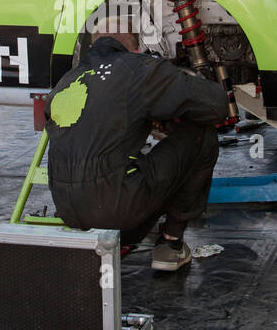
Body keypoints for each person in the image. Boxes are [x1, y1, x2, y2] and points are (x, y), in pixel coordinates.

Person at [44, 21, 228, 271]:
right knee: (201, 135)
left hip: (69, 212)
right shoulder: (139, 68)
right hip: (118, 213)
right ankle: (170, 245)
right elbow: (216, 105)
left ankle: (117, 233)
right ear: (136, 46)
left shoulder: (67, 81)